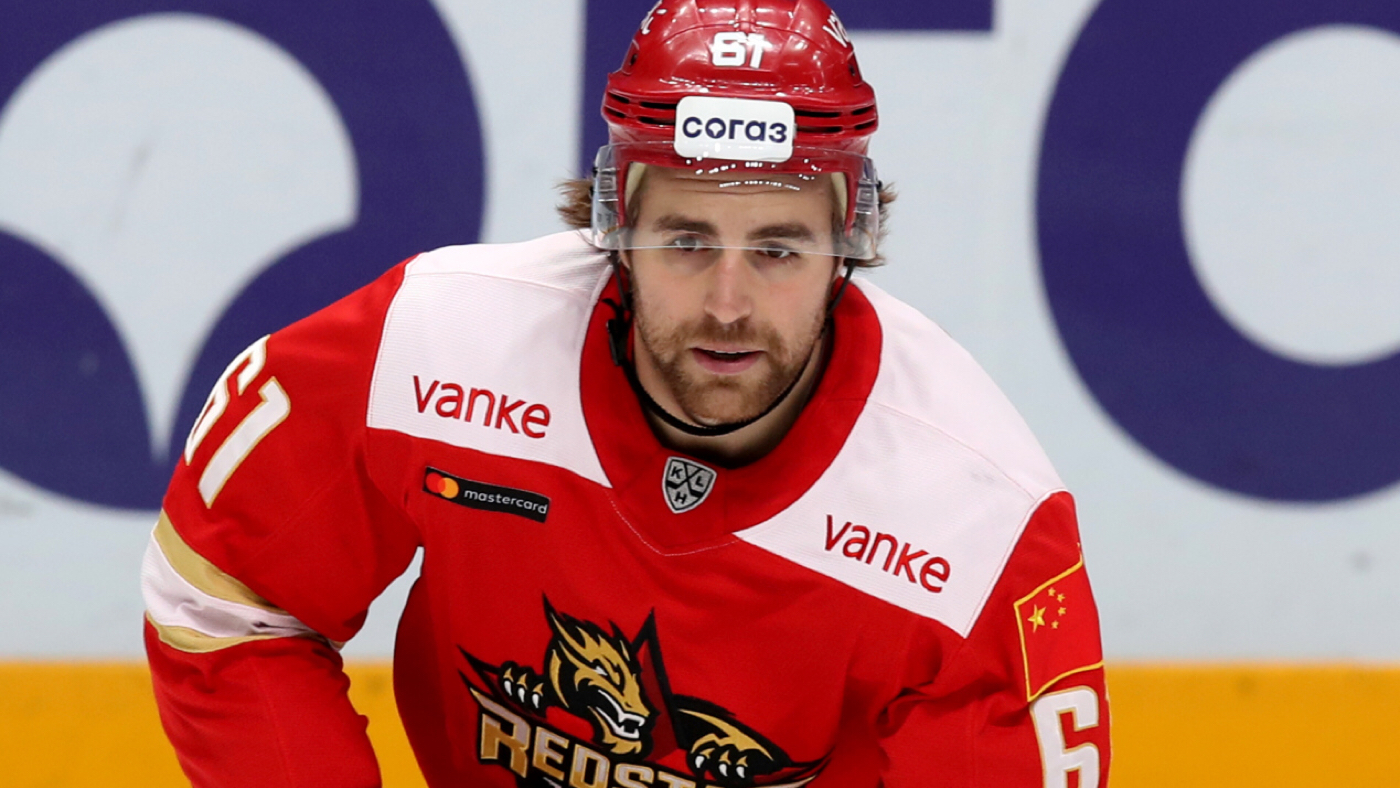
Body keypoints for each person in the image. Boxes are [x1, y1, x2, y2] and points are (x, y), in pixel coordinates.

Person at [142, 1, 1111, 785]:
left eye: (778, 248)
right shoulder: (426, 347)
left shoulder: (979, 526)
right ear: (612, 221)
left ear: (847, 239)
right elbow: (225, 592)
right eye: (684, 241)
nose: (727, 305)